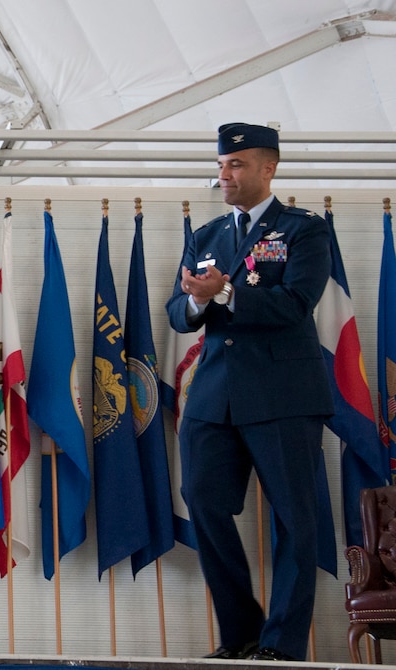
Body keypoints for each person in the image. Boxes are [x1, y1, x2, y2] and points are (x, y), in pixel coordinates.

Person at [166, 123, 333, 662]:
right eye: (221, 166)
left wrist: (226, 293)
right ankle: (241, 633)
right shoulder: (208, 234)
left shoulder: (304, 230)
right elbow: (178, 312)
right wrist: (198, 301)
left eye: (236, 165)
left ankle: (281, 646)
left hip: (284, 394)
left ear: (269, 168)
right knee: (203, 501)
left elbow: (296, 304)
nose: (225, 175)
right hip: (215, 395)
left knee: (295, 520)